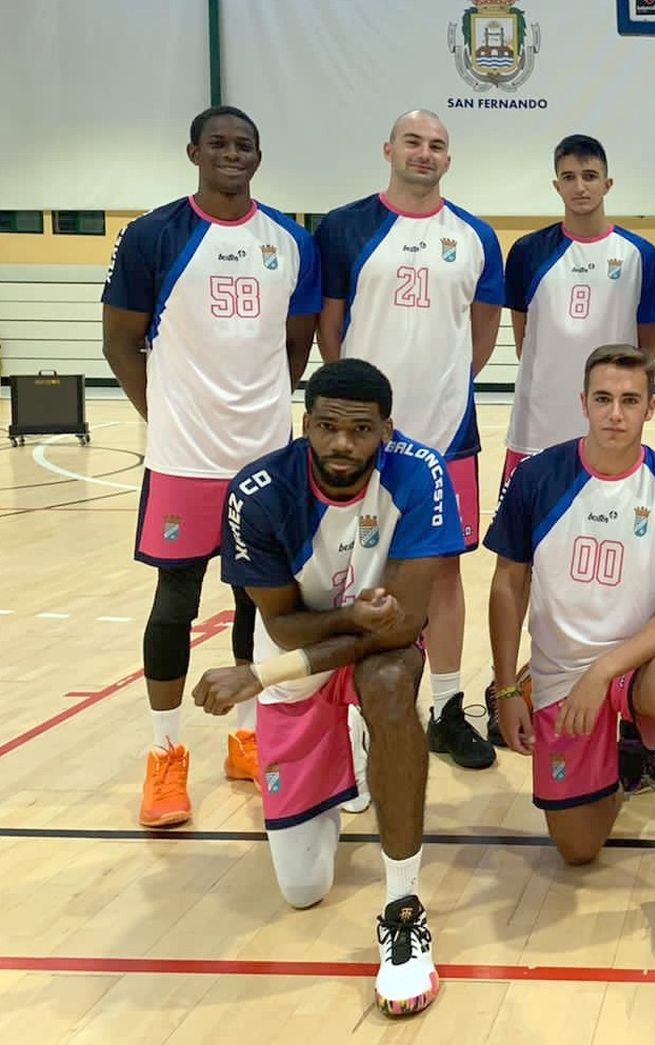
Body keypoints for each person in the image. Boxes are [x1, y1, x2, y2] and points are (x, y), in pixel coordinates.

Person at [192, 358, 462, 1015]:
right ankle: (341, 757)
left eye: (361, 429)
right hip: (300, 648)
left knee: (393, 685)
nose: (344, 444)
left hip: (369, 652)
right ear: (305, 423)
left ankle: (402, 906)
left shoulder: (419, 474)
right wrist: (346, 619)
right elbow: (283, 626)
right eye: (329, 426)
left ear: (386, 430)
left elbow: (407, 623)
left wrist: (256, 678)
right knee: (304, 887)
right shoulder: (257, 493)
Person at [101, 105, 319, 828]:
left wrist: (261, 412)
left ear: (260, 155)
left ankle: (248, 739)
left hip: (264, 458)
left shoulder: (289, 239)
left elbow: (296, 346)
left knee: (261, 605)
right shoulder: (154, 235)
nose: (232, 154)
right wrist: (162, 417)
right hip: (183, 460)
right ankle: (165, 758)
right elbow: (119, 342)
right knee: (176, 602)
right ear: (193, 150)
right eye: (219, 143)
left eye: (244, 145)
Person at [484, 344, 655, 957]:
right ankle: (628, 757)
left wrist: (607, 670)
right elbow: (509, 581)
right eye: (603, 399)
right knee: (578, 851)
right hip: (560, 672)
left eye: (630, 401)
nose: (615, 413)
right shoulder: (538, 477)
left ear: (650, 409)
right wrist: (507, 686)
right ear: (583, 403)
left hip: (638, 664)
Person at [314, 109, 505, 780]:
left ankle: (448, 708)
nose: (425, 154)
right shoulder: (343, 228)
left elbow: (481, 336)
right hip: (364, 443)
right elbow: (329, 330)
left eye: (437, 145)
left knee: (445, 571)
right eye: (414, 142)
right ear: (388, 148)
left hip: (448, 433)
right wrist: (356, 417)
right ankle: (355, 718)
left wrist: (443, 386)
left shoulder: (476, 236)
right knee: (355, 575)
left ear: (448, 159)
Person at [495, 134, 655, 766]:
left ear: (608, 182)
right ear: (556, 183)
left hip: (611, 438)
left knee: (622, 574)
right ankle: (521, 690)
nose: (580, 186)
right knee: (532, 575)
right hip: (537, 435)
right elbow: (524, 333)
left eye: (590, 174)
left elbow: (644, 344)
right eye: (568, 175)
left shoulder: (640, 255)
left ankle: (627, 712)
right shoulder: (529, 252)